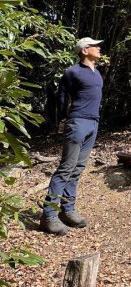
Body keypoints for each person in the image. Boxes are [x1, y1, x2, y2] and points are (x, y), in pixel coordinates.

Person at [39, 37, 104, 236]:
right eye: (95, 46)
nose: (99, 48)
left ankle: (67, 211)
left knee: (78, 169)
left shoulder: (97, 72)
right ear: (85, 50)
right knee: (66, 168)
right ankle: (48, 216)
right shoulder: (72, 72)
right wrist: (63, 118)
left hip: (93, 123)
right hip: (77, 122)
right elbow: (61, 95)